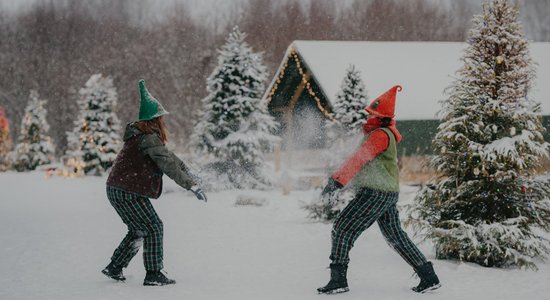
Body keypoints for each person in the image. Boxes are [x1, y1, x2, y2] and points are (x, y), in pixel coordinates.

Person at [317, 85, 440, 294]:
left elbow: (358, 159)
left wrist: (336, 182)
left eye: (372, 113)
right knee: (395, 236)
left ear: (381, 116)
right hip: (387, 192)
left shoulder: (380, 135)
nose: (368, 116)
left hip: (375, 192)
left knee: (342, 228)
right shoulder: (382, 134)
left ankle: (338, 280)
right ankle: (428, 276)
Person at [102, 79, 207, 286]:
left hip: (117, 189)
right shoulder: (148, 138)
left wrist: (192, 177)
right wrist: (190, 185)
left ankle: (115, 267)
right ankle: (153, 273)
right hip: (125, 191)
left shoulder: (143, 137)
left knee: (139, 229)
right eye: (161, 118)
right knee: (154, 226)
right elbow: (167, 165)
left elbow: (171, 159)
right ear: (155, 120)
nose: (163, 122)